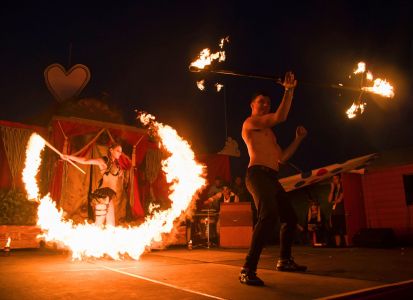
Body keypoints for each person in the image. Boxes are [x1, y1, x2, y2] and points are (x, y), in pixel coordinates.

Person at [239, 71, 308, 286]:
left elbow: (282, 158)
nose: (266, 105)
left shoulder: (269, 134)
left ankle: (284, 260)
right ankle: (247, 269)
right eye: (261, 102)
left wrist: (298, 139)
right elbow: (281, 117)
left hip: (272, 177)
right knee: (268, 215)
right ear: (252, 105)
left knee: (290, 218)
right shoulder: (250, 123)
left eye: (268, 103)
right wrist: (288, 91)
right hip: (257, 174)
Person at [61, 143, 125, 226]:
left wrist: (121, 173)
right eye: (118, 151)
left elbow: (115, 177)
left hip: (110, 196)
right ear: (111, 150)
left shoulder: (117, 165)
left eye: (121, 152)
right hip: (103, 195)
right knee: (98, 224)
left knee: (111, 225)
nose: (120, 153)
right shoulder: (104, 161)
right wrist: (68, 157)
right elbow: (85, 160)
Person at [328, 174, 349, 247]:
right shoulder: (334, 189)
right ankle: (338, 245)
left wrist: (334, 201)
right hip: (334, 213)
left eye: (336, 178)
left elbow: (339, 200)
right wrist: (332, 189)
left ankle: (348, 245)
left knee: (345, 230)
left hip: (341, 212)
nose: (334, 180)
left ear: (340, 179)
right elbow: (329, 200)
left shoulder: (343, 187)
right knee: (336, 231)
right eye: (333, 179)